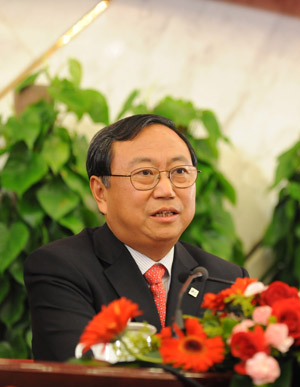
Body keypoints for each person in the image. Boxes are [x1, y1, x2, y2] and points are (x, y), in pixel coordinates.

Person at [24, 114, 248, 362]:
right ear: (101, 193)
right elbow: (79, 372)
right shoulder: (60, 268)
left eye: (180, 171)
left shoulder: (228, 279)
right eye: (144, 173)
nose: (166, 190)